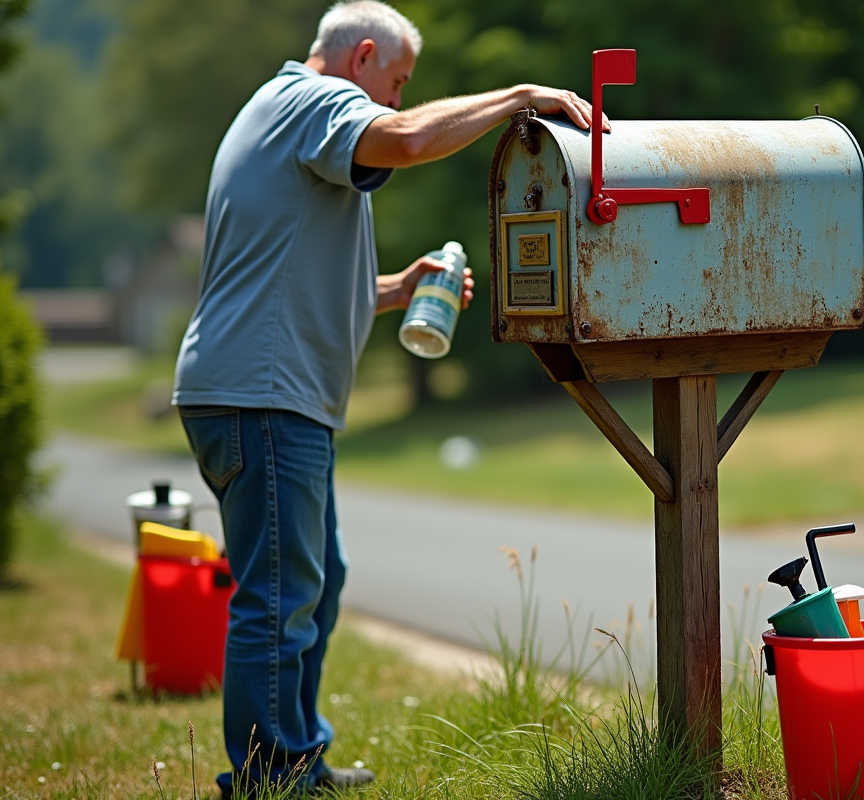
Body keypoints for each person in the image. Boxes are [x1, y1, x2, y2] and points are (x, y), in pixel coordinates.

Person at [171, 2, 603, 795]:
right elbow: (403, 142)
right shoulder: (312, 101)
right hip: (264, 400)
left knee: (315, 579)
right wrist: (516, 99)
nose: (396, 102)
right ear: (362, 57)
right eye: (396, 83)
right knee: (279, 594)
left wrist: (398, 288)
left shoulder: (280, 115)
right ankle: (270, 777)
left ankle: (295, 756)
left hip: (258, 393)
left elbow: (291, 283)